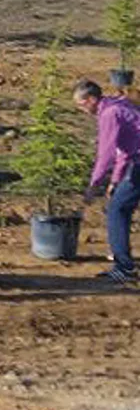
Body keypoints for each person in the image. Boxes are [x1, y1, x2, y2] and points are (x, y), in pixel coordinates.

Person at [75, 79, 140, 285]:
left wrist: (94, 184)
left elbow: (106, 153)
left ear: (92, 99)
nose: (80, 109)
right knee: (122, 207)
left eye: (81, 104)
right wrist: (115, 180)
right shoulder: (117, 105)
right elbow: (124, 151)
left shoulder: (109, 114)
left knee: (116, 210)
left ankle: (124, 267)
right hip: (135, 161)